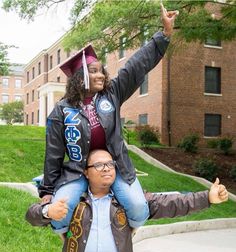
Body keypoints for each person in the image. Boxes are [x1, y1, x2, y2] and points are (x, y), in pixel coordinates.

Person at [37, 4, 179, 234]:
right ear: (78, 77)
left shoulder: (111, 95)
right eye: (93, 71)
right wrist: (47, 191)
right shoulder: (61, 112)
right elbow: (53, 153)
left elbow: (135, 66)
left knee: (138, 209)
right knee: (59, 216)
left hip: (115, 168)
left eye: (101, 70)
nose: (100, 75)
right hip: (77, 171)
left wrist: (164, 34)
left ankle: (121, 229)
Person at [26, 149, 228, 252]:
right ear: (86, 172)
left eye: (110, 164)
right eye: (98, 165)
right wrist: (48, 211)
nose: (106, 168)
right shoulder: (73, 202)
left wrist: (207, 198)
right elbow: (31, 214)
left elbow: (172, 203)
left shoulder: (126, 204)